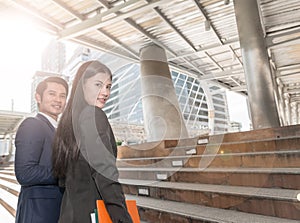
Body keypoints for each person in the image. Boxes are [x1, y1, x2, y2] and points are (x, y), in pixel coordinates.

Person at [52, 60, 133, 223]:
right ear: (82, 85)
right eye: (98, 85)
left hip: (70, 214)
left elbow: (62, 179)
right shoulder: (93, 116)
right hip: (92, 214)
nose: (105, 92)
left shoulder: (68, 122)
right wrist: (122, 218)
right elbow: (105, 173)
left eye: (108, 86)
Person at [14, 76, 69, 223]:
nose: (58, 100)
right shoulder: (32, 124)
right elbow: (25, 173)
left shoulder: (58, 130)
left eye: (62, 96)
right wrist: (68, 173)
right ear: (38, 97)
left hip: (56, 210)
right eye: (52, 94)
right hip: (38, 214)